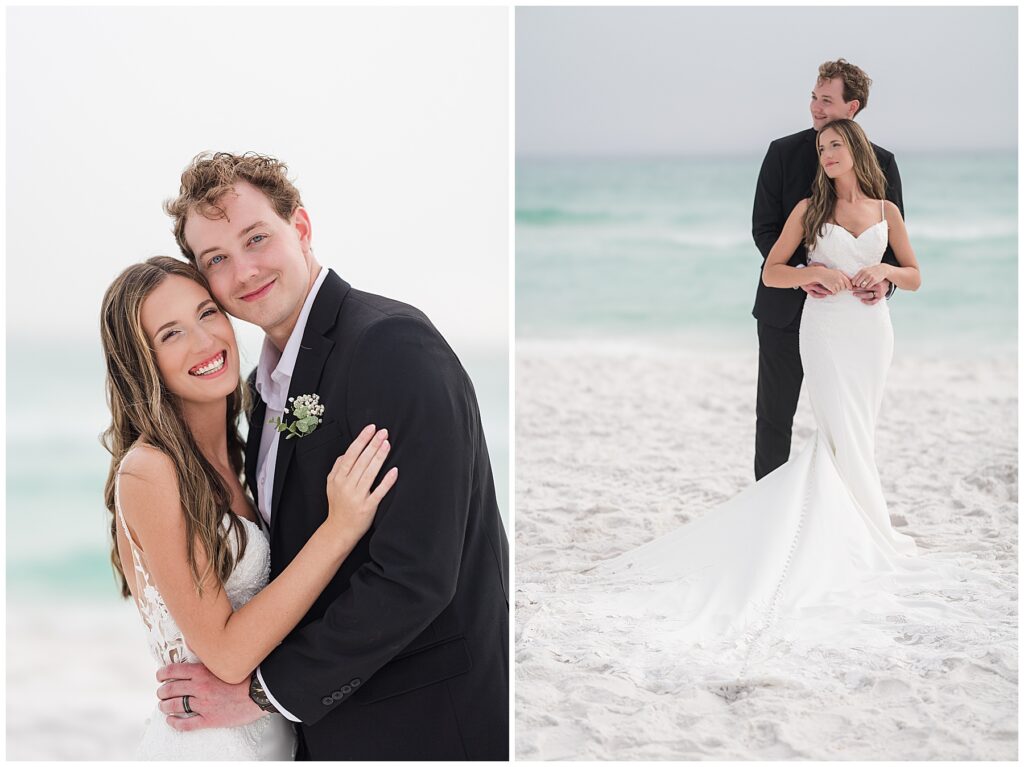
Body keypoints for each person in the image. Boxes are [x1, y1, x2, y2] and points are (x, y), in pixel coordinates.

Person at [153, 152, 509, 760]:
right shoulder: (264, 389)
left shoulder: (390, 346)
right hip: (334, 729)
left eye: (256, 238)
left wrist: (262, 695)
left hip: (420, 724)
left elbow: (415, 573)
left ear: (302, 227)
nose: (243, 271)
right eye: (217, 260)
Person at [101, 256, 397, 759]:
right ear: (142, 363)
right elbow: (227, 654)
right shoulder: (149, 470)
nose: (204, 342)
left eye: (207, 314)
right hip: (213, 747)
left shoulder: (240, 454)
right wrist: (340, 528)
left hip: (272, 734)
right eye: (171, 335)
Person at [752, 58, 905, 480]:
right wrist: (807, 273)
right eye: (813, 98)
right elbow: (764, 229)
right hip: (786, 308)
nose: (816, 108)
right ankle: (769, 512)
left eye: (827, 100)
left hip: (853, 317)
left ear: (852, 107)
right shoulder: (782, 152)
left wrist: (881, 286)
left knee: (849, 421)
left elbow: (891, 244)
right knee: (774, 420)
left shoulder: (883, 162)